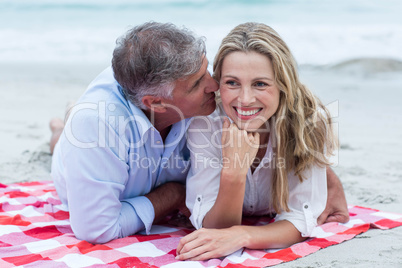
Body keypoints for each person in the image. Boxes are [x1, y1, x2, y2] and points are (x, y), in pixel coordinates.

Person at [50, 21, 348, 245]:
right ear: (157, 102)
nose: (214, 86)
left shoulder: (192, 97)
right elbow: (97, 229)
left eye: (208, 71)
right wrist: (181, 191)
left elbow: (284, 101)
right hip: (102, 154)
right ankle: (61, 131)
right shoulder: (98, 124)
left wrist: (322, 170)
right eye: (199, 83)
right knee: (65, 142)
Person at [176, 22, 346, 261]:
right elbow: (211, 228)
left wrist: (243, 235)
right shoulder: (206, 123)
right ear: (218, 83)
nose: (245, 100)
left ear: (282, 86)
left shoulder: (308, 122)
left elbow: (298, 219)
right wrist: (234, 172)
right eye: (232, 82)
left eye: (260, 84)